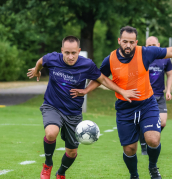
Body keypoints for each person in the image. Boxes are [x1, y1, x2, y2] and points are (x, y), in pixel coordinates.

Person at [70, 26, 172, 179]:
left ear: (136, 42)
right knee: (130, 149)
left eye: (131, 42)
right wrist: (85, 90)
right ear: (119, 41)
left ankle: (152, 167)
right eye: (125, 41)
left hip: (147, 104)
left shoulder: (146, 52)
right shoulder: (110, 59)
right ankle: (134, 175)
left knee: (153, 139)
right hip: (125, 108)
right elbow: (100, 77)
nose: (128, 45)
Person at [27, 36, 140, 179]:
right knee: (51, 133)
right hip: (52, 105)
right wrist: (37, 69)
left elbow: (103, 79)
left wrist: (119, 91)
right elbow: (42, 61)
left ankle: (61, 173)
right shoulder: (52, 58)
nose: (70, 56)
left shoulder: (87, 65)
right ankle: (48, 165)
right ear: (62, 50)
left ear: (79, 51)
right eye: (67, 53)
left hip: (73, 113)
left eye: (73, 53)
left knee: (72, 152)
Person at [139, 36, 172, 155]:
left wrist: (168, 90)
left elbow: (169, 75)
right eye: (149, 46)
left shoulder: (165, 58)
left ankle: (150, 136)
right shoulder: (142, 58)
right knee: (143, 121)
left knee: (163, 122)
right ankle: (144, 146)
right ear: (145, 46)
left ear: (158, 45)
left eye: (153, 45)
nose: (151, 48)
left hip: (160, 95)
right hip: (145, 96)